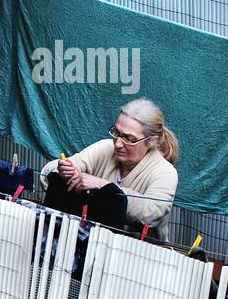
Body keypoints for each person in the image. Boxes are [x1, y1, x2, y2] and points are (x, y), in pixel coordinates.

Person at [40, 99, 180, 242]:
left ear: (151, 141)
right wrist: (65, 171)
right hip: (90, 242)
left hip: (136, 254)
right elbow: (50, 171)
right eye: (116, 133)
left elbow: (152, 213)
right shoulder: (105, 148)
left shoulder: (165, 172)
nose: (118, 143)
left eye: (129, 138)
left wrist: (105, 187)